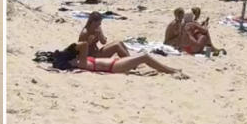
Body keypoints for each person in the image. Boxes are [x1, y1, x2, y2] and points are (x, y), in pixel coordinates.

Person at [49, 42, 187, 78]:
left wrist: (68, 51)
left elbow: (81, 46)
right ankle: (170, 70)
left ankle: (170, 70)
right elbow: (83, 44)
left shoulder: (78, 61)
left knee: (143, 57)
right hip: (114, 68)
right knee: (145, 57)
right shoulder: (80, 63)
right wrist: (69, 48)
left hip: (114, 64)